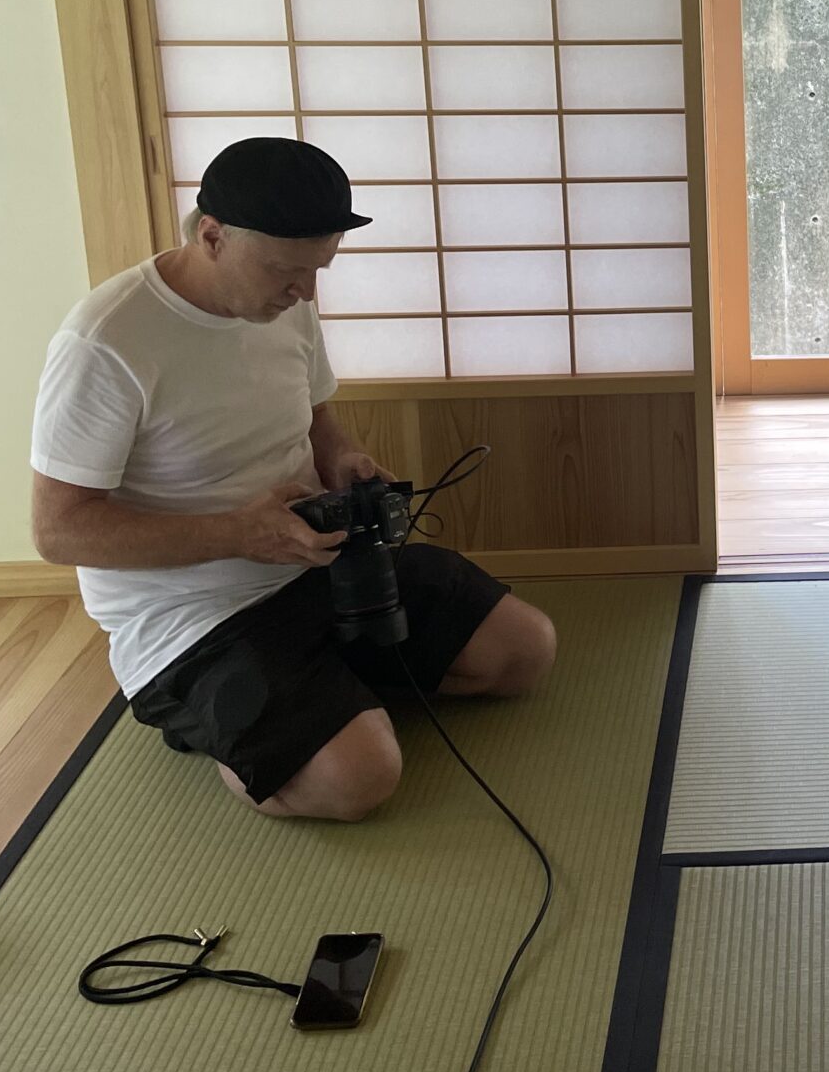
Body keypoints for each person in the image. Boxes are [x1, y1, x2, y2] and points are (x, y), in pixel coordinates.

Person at [29, 137, 556, 822]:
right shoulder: (106, 342)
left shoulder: (284, 301)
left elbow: (315, 418)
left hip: (317, 567)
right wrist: (240, 533)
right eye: (286, 269)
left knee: (522, 653)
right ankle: (243, 723)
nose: (305, 291)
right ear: (212, 236)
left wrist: (344, 460)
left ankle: (327, 701)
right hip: (193, 619)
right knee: (359, 782)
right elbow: (57, 531)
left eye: (319, 269)